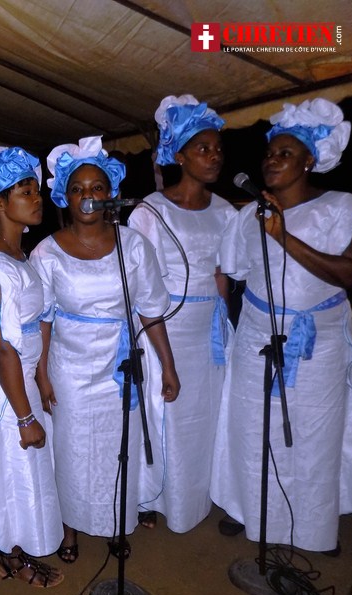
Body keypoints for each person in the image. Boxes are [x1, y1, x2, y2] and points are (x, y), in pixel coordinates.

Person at [211, 98, 352, 553]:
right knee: (252, 427)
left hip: (319, 344)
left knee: (314, 434)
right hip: (256, 337)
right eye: (269, 153)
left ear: (309, 161)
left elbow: (349, 273)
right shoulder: (248, 216)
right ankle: (249, 509)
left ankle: (314, 527)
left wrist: (283, 236)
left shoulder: (340, 206)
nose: (271, 161)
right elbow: (234, 274)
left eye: (285, 153)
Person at [30, 137, 179, 564]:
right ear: (65, 196)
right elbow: (43, 320)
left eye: (97, 187)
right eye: (78, 188)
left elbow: (150, 310)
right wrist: (42, 374)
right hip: (70, 368)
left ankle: (116, 521)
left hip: (120, 365)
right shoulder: (46, 252)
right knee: (73, 450)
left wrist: (168, 366)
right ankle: (70, 528)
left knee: (118, 447)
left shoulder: (133, 245)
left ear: (110, 193)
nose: (88, 196)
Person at [127, 95, 236, 533]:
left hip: (208, 330)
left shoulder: (226, 211)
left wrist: (225, 327)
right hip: (164, 327)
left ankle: (196, 494)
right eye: (202, 148)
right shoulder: (150, 212)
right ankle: (151, 496)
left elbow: (222, 276)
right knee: (163, 413)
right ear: (179, 156)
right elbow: (140, 284)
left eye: (217, 149)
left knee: (202, 416)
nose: (214, 156)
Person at [0, 146, 64, 588]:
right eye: (25, 192)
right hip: (3, 386)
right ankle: (11, 556)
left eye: (36, 190)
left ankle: (10, 547)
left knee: (15, 470)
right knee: (10, 469)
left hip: (18, 379)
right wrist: (25, 416)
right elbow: (2, 347)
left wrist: (41, 380)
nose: (37, 199)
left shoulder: (18, 255)